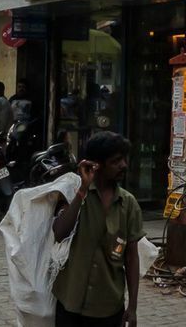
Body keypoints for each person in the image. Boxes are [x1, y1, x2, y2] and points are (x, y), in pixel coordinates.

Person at [52, 131, 144, 327]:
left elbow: (131, 257)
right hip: (70, 303)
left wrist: (133, 307)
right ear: (96, 165)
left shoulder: (128, 204)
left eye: (124, 159)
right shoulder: (72, 192)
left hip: (108, 307)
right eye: (116, 161)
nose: (123, 166)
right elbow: (59, 232)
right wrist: (82, 191)